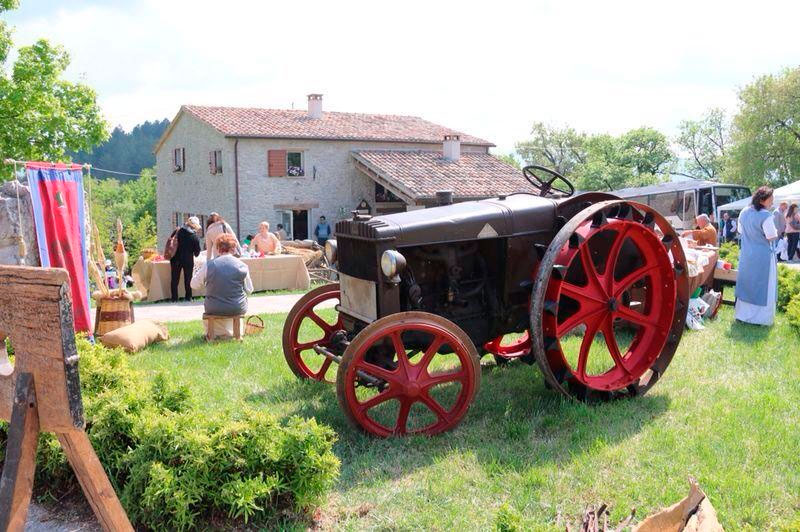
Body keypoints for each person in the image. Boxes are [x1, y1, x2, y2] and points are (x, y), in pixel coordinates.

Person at [191, 233, 253, 338]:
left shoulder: (209, 265)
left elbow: (194, 285)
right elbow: (249, 290)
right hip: (237, 307)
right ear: (233, 249)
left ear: (218, 249)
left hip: (213, 307)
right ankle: (234, 332)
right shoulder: (242, 265)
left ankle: (216, 333)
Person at [735, 186, 779, 326]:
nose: (772, 202)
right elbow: (771, 236)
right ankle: (761, 319)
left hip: (747, 255)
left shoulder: (744, 212)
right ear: (762, 200)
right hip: (763, 257)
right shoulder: (766, 215)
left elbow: (740, 230)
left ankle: (743, 315)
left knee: (746, 284)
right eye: (770, 199)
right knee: (763, 286)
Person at [170, 216, 201, 302]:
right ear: (194, 226)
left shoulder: (177, 231)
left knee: (174, 279)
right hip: (188, 260)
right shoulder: (194, 237)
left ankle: (174, 298)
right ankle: (188, 297)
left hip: (175, 259)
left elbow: (171, 241)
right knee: (188, 279)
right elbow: (197, 253)